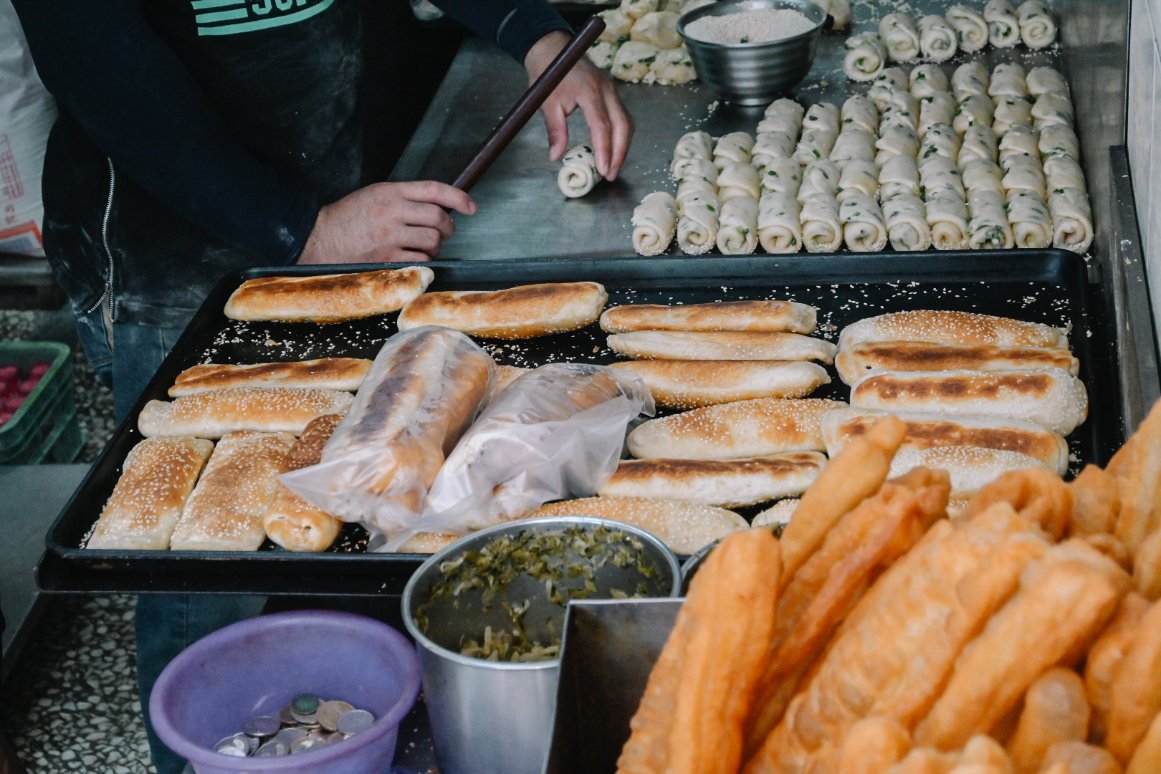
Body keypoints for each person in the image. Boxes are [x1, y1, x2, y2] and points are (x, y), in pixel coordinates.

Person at [12, 1, 633, 771]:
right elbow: (104, 77)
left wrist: (533, 33)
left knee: (357, 504)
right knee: (205, 566)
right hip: (168, 265)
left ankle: (355, 734)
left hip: (328, 222)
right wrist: (298, 229)